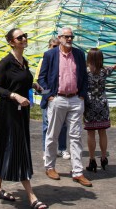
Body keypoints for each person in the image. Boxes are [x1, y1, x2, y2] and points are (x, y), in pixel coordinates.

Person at [0, 28, 47, 209]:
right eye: (20, 37)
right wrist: (15, 96)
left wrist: (34, 84)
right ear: (12, 42)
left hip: (22, 111)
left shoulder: (23, 62)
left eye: (25, 36)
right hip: (9, 111)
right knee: (19, 148)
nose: (24, 39)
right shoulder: (5, 63)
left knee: (8, 146)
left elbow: (22, 81)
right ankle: (32, 197)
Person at [38, 26, 92, 187]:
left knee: (76, 137)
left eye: (71, 37)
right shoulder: (50, 55)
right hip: (58, 99)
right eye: (66, 37)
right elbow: (42, 78)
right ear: (60, 37)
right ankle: (50, 167)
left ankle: (77, 172)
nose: (69, 39)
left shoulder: (79, 54)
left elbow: (84, 76)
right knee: (52, 134)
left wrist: (82, 94)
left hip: (75, 99)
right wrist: (49, 96)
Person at [84, 48, 116, 173]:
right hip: (102, 103)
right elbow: (113, 68)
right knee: (102, 131)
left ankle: (92, 160)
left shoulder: (85, 72)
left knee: (91, 133)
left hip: (90, 104)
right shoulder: (104, 71)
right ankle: (103, 157)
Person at [35, 38, 68, 159]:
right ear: (49, 46)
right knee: (46, 125)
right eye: (54, 46)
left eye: (57, 46)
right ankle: (46, 150)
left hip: (61, 97)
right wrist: (48, 96)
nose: (56, 48)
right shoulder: (44, 59)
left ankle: (62, 148)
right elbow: (40, 79)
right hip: (49, 97)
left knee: (63, 125)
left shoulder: (63, 59)